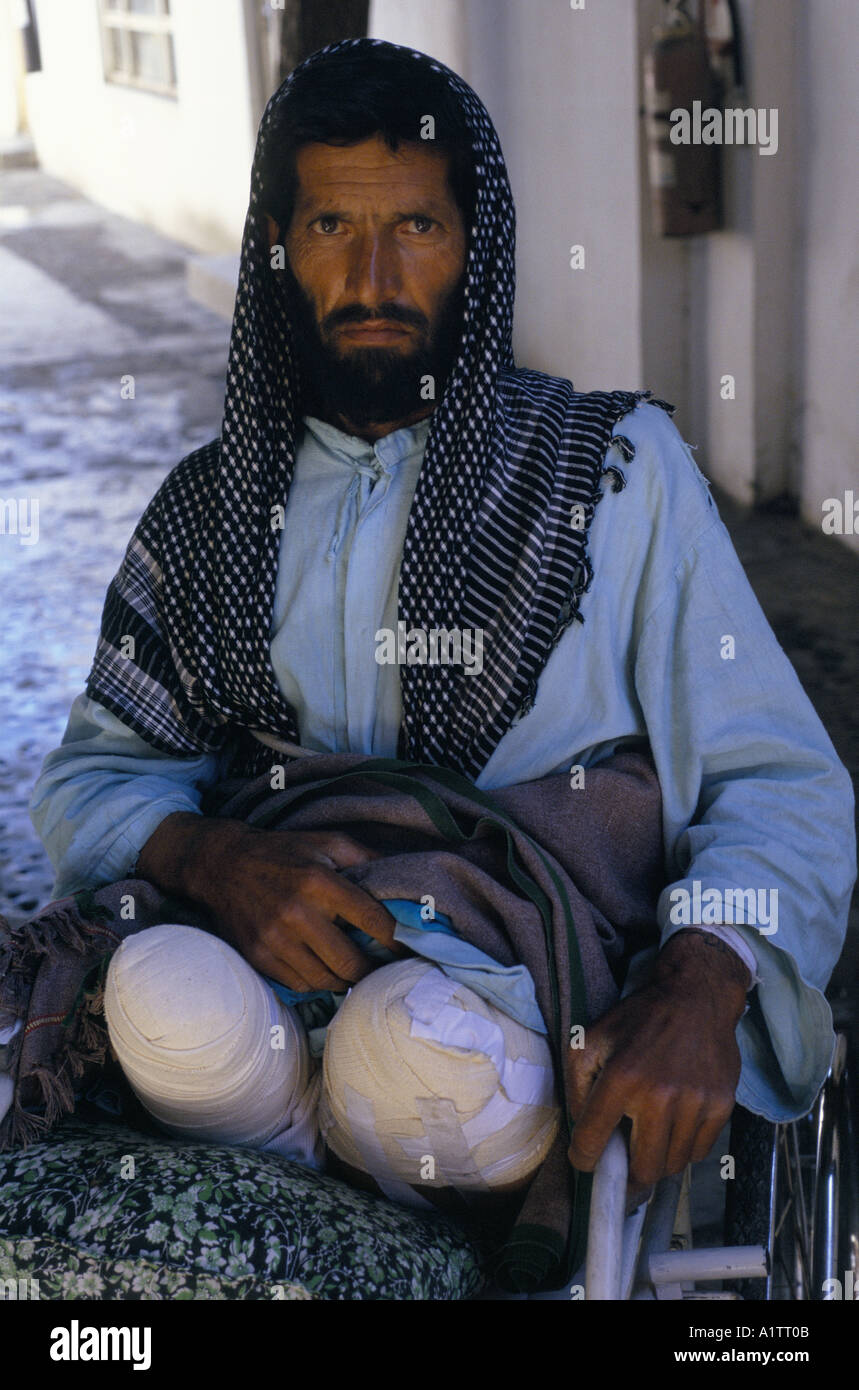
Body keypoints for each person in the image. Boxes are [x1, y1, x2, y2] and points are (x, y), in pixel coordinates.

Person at [29, 40, 855, 1204]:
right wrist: (210, 854)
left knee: (415, 1051)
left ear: (476, 248)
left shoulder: (612, 475)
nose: (372, 275)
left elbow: (780, 784)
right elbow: (91, 781)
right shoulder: (203, 512)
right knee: (160, 1002)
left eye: (415, 228)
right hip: (258, 983)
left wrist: (704, 977)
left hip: (524, 998)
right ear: (277, 249)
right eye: (329, 228)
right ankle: (298, 1143)